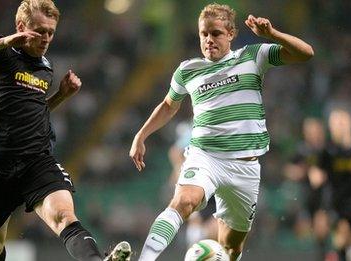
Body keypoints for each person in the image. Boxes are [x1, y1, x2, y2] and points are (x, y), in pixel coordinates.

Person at [129, 3, 314, 261]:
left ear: (231, 34)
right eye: (204, 34)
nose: (209, 40)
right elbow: (169, 105)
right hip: (206, 157)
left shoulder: (252, 57)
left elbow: (306, 53)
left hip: (245, 166)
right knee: (184, 201)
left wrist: (272, 35)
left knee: (230, 248)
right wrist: (141, 135)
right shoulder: (187, 70)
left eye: (215, 33)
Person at [0, 1, 130, 260]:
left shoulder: (45, 67)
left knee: (64, 216)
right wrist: (5, 42)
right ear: (21, 27)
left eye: (50, 32)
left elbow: (34, 111)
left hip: (35, 159)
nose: (46, 38)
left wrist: (61, 95)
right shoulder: (0, 50)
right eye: (39, 31)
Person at [317, 108, 351, 261]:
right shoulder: (328, 150)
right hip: (336, 201)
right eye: (334, 124)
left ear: (349, 124)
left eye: (340, 123)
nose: (337, 127)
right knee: (340, 236)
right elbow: (318, 173)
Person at [283, 117, 331, 260]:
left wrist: (322, 174)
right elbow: (288, 169)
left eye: (313, 130)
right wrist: (298, 172)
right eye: (307, 131)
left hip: (325, 197)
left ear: (321, 131)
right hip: (305, 198)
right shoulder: (302, 149)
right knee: (302, 232)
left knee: (321, 229)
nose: (311, 134)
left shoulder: (328, 149)